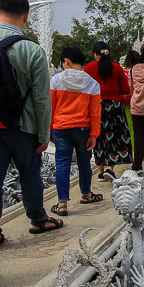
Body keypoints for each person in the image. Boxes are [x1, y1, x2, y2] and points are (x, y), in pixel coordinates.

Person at [0, 0, 61, 253]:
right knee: (30, 173)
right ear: (26, 17)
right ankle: (37, 219)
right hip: (24, 127)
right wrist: (43, 134)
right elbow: (40, 99)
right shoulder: (32, 51)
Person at [49, 47, 103, 216]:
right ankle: (86, 194)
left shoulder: (56, 80)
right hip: (83, 129)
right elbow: (95, 112)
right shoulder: (92, 83)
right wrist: (94, 135)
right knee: (84, 162)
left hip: (61, 127)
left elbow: (50, 107)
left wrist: (49, 129)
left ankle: (62, 203)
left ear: (67, 62)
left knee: (62, 163)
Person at [84, 41, 131, 182]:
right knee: (115, 137)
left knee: (98, 137)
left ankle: (100, 171)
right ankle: (110, 168)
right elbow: (126, 90)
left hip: (96, 106)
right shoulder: (116, 68)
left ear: (95, 54)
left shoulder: (89, 68)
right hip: (114, 107)